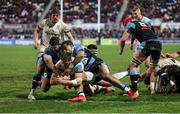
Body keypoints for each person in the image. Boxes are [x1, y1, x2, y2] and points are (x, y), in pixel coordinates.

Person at [55, 41, 134, 102]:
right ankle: (87, 94)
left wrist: (70, 69)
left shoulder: (77, 47)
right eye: (63, 49)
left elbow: (80, 55)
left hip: (97, 65)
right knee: (90, 92)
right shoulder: (69, 56)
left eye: (66, 48)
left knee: (107, 78)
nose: (65, 50)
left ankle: (128, 89)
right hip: (89, 72)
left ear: (70, 45)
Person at [119, 17, 162, 97]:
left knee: (132, 65)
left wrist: (121, 50)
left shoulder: (130, 24)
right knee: (154, 66)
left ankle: (134, 91)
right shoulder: (142, 23)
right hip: (158, 43)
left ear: (125, 23)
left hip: (148, 44)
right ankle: (168, 80)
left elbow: (123, 39)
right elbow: (152, 33)